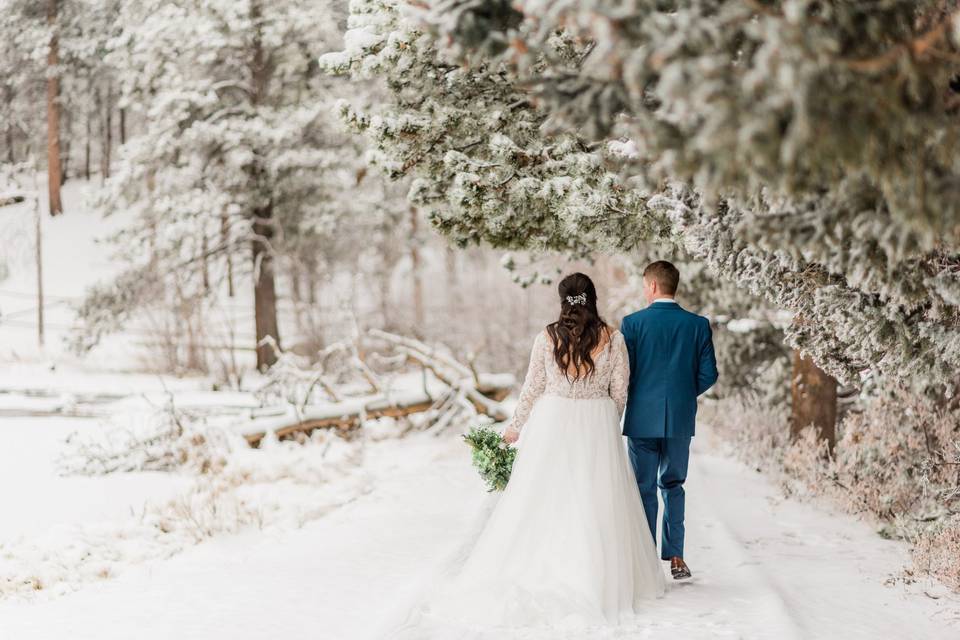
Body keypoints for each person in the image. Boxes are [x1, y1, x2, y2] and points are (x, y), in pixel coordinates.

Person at [397, 272, 665, 636]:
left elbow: (533, 387)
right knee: (594, 500)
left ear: (562, 300)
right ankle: (595, 575)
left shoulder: (547, 337)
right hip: (596, 422)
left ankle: (547, 565)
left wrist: (515, 427)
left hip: (553, 420)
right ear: (593, 299)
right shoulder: (614, 339)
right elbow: (621, 390)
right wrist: (604, 419)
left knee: (545, 497)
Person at [620, 260, 719, 580]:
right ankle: (676, 556)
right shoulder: (698, 324)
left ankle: (646, 557)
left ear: (651, 286)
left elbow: (625, 373)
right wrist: (681, 394)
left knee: (643, 487)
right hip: (679, 417)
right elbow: (709, 374)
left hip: (641, 418)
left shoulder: (632, 323)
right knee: (674, 485)